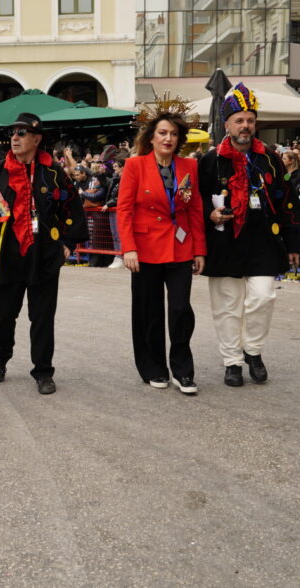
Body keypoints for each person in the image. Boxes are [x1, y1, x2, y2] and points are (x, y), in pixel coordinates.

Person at [0, 113, 88, 395]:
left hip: (43, 255)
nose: (15, 138)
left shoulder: (53, 173)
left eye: (21, 133)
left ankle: (43, 370)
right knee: (4, 314)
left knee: (42, 316)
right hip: (5, 254)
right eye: (13, 133)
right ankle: (0, 360)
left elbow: (72, 210)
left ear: (37, 138)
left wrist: (67, 243)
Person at [198, 83, 300, 387]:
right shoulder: (210, 160)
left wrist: (292, 242)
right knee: (227, 306)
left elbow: (287, 200)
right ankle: (232, 361)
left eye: (250, 120)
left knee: (263, 296)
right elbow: (197, 199)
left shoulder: (270, 158)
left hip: (263, 242)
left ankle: (253, 351)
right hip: (224, 242)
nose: (246, 126)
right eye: (240, 120)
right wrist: (211, 212)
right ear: (227, 124)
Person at [117, 112, 206, 395]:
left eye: (174, 134)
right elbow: (125, 209)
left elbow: (194, 209)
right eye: (163, 133)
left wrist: (199, 250)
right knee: (149, 312)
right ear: (152, 137)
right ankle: (154, 367)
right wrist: (128, 247)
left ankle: (183, 371)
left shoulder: (189, 165)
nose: (168, 138)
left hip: (181, 248)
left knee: (180, 310)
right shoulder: (135, 165)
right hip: (143, 250)